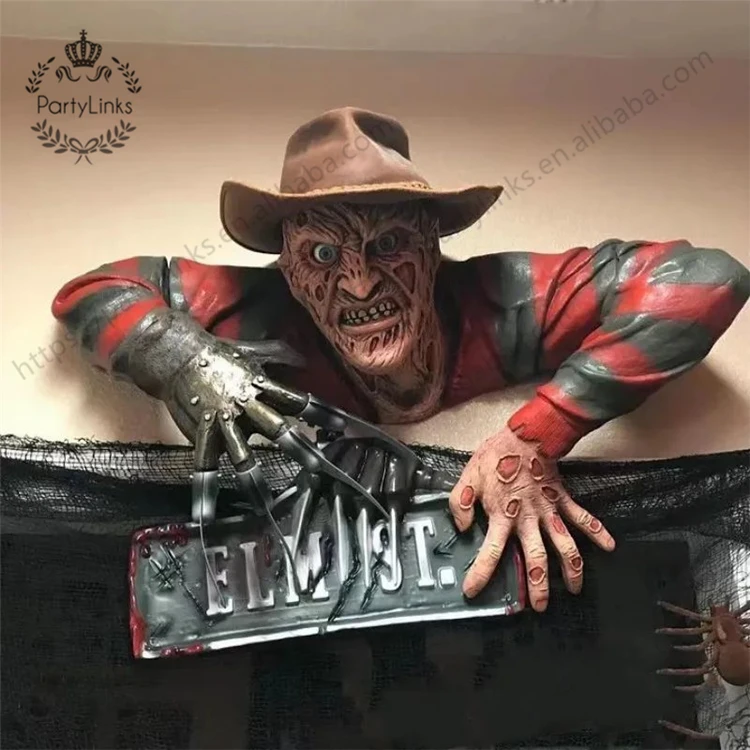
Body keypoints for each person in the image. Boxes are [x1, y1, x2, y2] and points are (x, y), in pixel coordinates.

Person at [52, 106, 750, 612]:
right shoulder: (261, 310)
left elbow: (705, 280)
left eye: (387, 245)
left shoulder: (498, 299)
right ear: (289, 271)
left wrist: (538, 434)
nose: (358, 283)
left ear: (431, 249)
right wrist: (185, 359)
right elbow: (93, 291)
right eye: (322, 254)